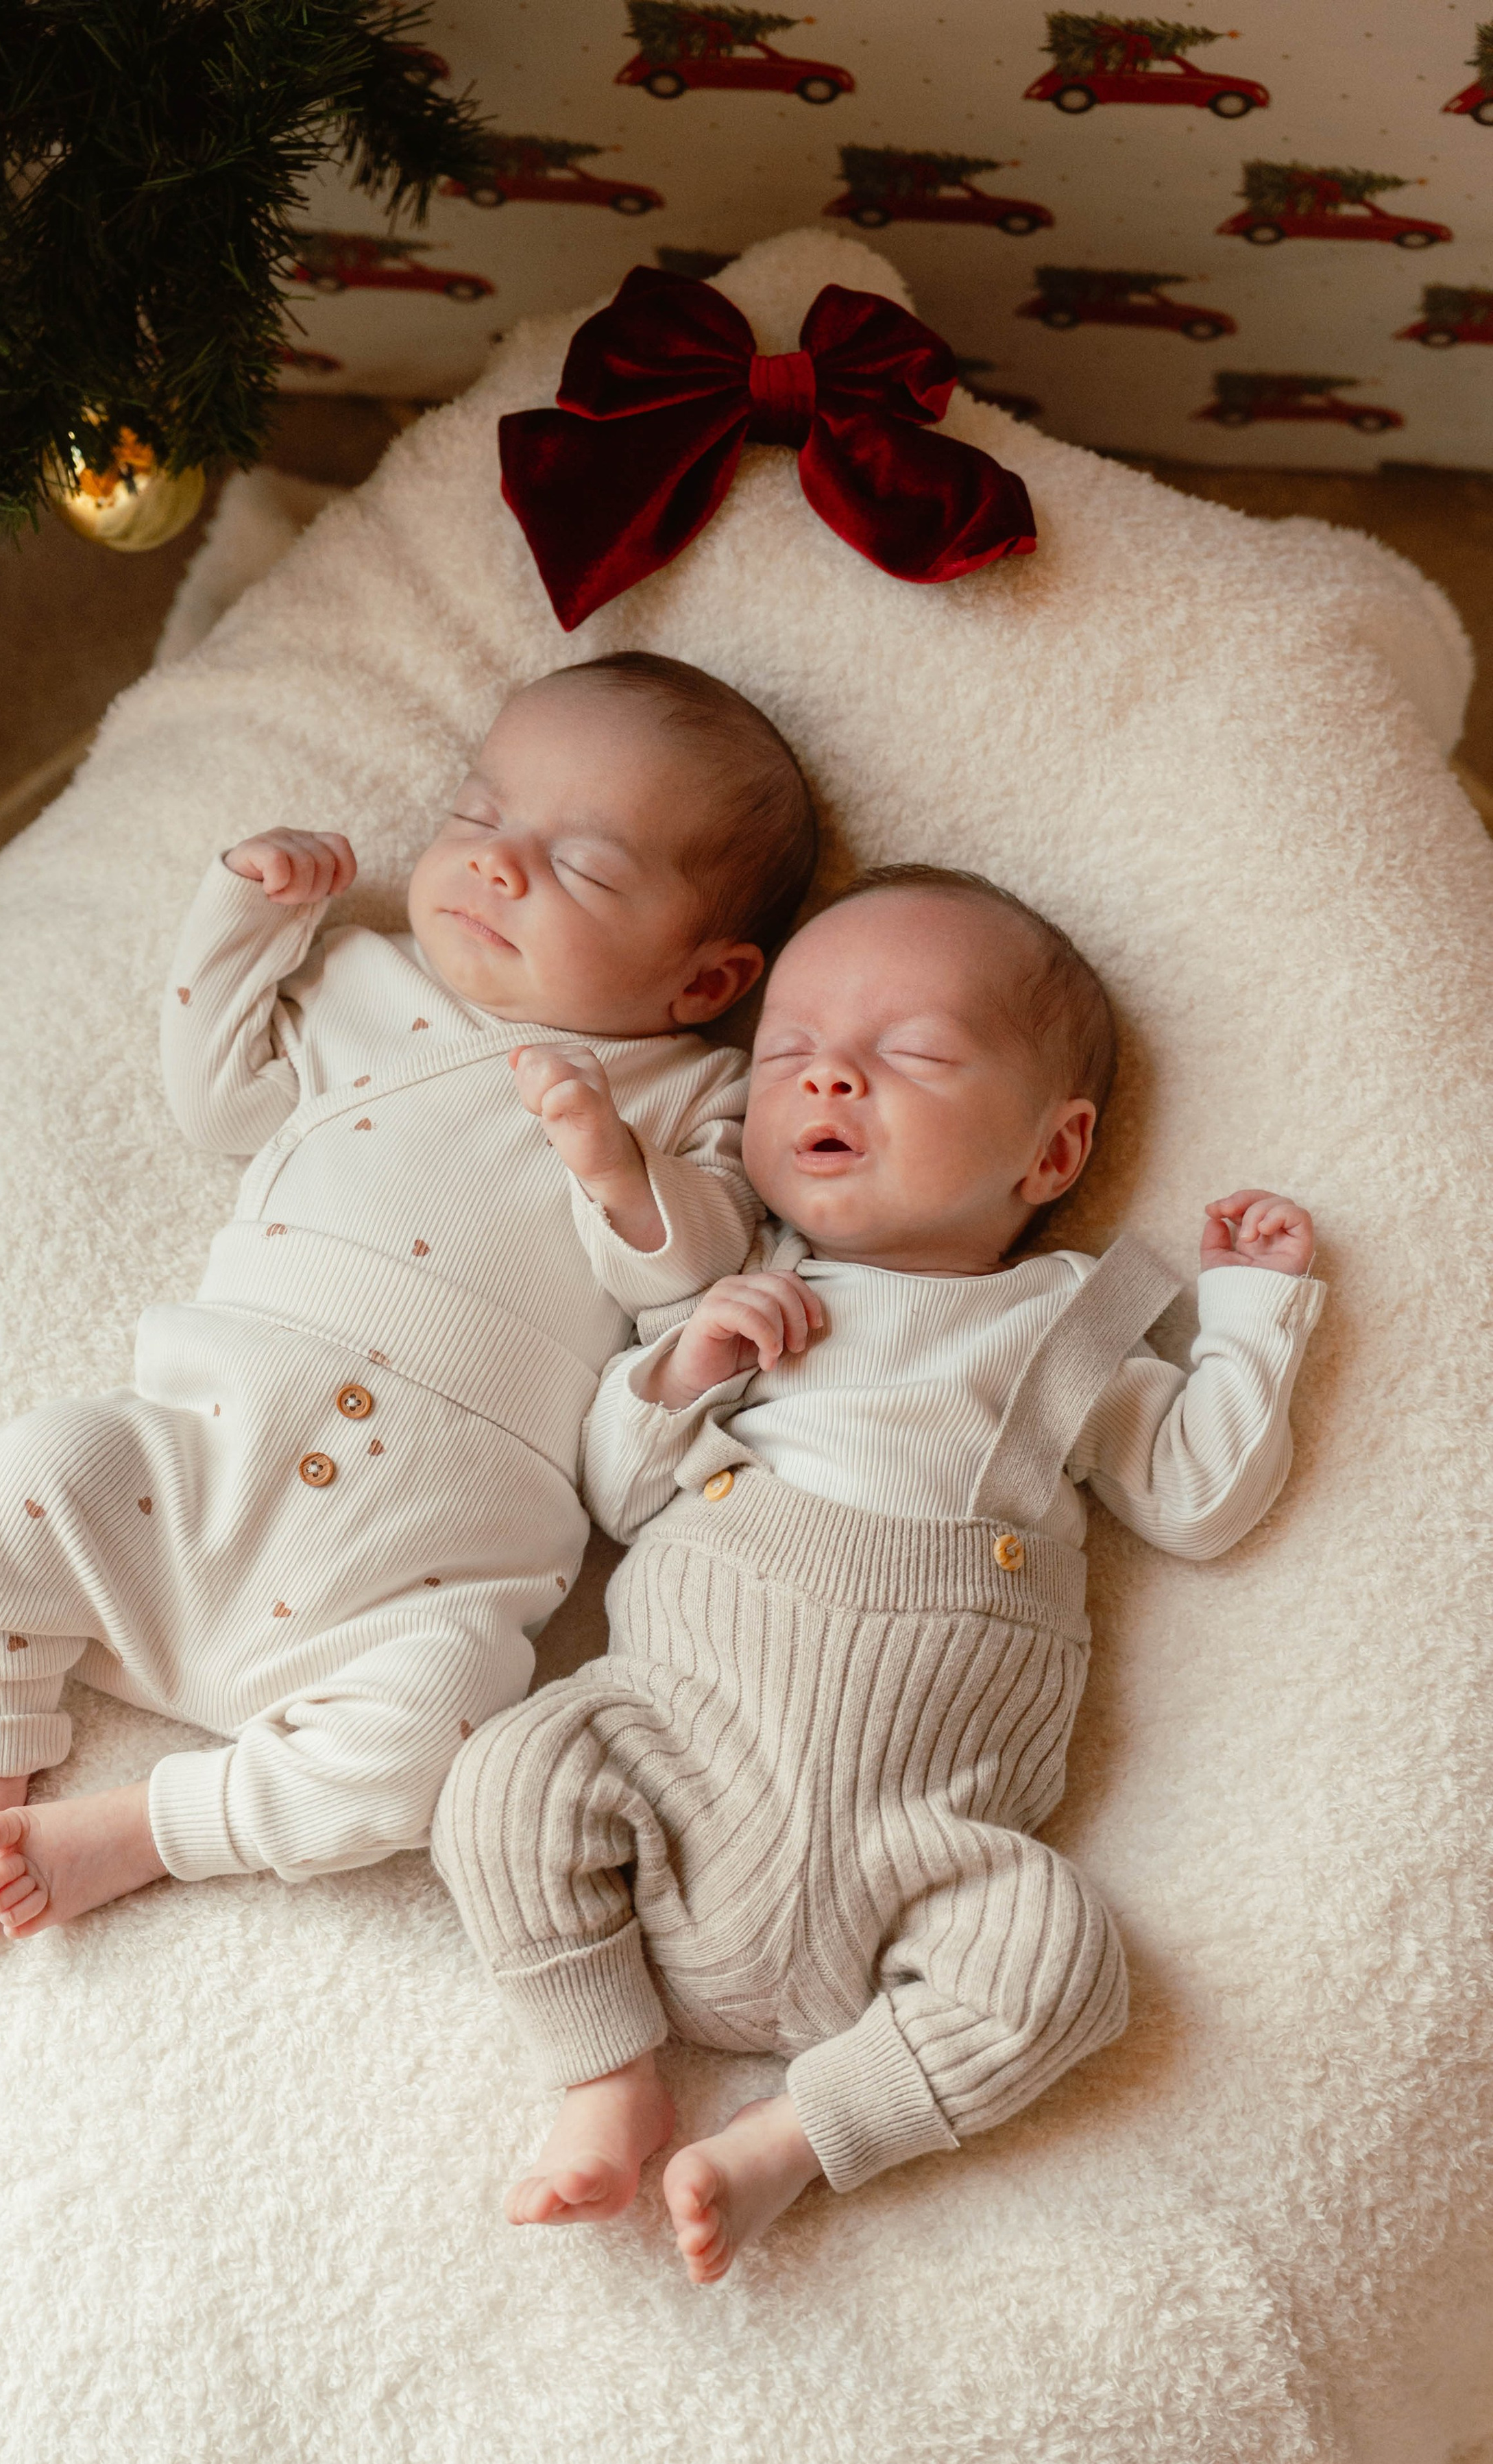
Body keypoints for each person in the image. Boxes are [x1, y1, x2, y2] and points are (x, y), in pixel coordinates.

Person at [433, 863, 1324, 2283]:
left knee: (1061, 1967)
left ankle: (793, 2138)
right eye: (787, 1054)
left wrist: (1250, 1321)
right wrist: (683, 1365)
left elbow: (1201, 1499)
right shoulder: (743, 1286)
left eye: (903, 1054)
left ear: (1051, 1153)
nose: (827, 1080)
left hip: (925, 1850)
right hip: (670, 1763)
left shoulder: (1061, 1328)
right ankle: (603, 2070)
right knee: (505, 1777)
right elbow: (613, 1492)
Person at [0, 653, 818, 1949]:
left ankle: (152, 1828)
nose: (498, 865)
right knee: (15, 1487)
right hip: (197, 1469)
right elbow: (218, 1101)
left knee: (448, 1744)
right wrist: (245, 921)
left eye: (586, 867)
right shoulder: (360, 984)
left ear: (708, 982)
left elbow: (694, 1271)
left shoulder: (687, 1097)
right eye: (480, 819)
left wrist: (615, 1162)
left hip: (420, 1564)